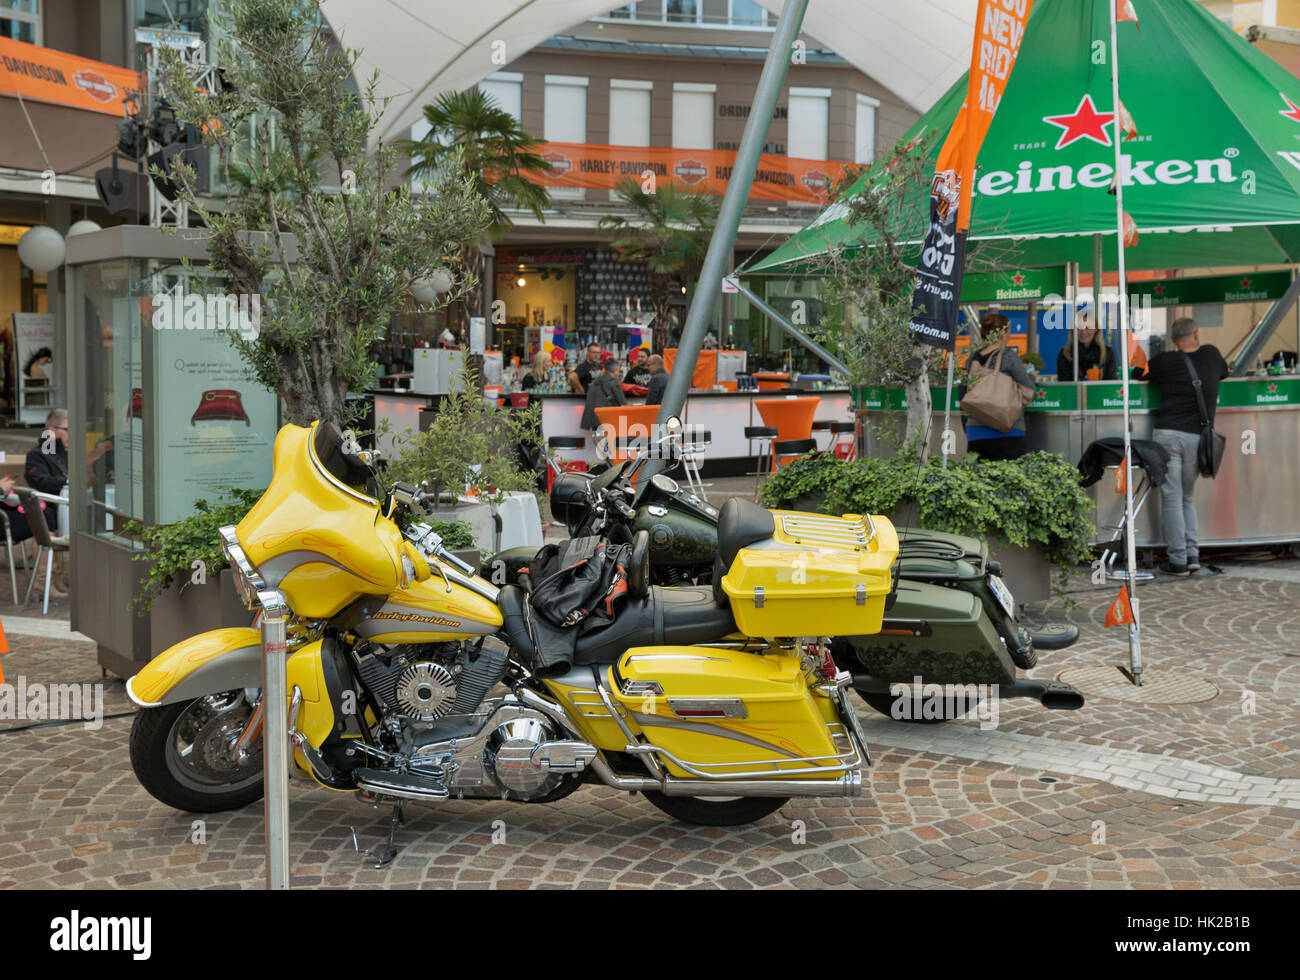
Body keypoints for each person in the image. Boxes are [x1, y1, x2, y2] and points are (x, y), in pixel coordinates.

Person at [1145, 317, 1228, 576]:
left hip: (1168, 434)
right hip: (1196, 437)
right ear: (1196, 334)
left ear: (1173, 340)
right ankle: (1192, 555)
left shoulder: (1164, 362)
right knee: (1187, 497)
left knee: (1171, 498)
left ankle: (1177, 561)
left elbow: (1139, 373)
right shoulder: (1212, 355)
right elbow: (1225, 373)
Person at [963, 313, 1034, 461]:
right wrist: (1032, 376)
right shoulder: (1009, 356)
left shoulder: (972, 359)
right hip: (1007, 431)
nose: (1010, 334)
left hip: (975, 432)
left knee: (980, 481)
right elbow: (1028, 391)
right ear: (1002, 334)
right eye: (1009, 331)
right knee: (1009, 481)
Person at [1057, 310, 1118, 380]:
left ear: (1096, 329)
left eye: (1088, 327)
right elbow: (1064, 385)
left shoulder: (1107, 353)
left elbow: (1111, 384)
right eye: (1079, 328)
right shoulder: (1065, 354)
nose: (1083, 332)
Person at [580, 354, 628, 432]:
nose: (619, 373)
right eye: (619, 370)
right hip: (608, 420)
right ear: (615, 370)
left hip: (594, 421)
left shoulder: (595, 382)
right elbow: (623, 403)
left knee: (599, 443)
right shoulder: (614, 382)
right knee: (610, 443)